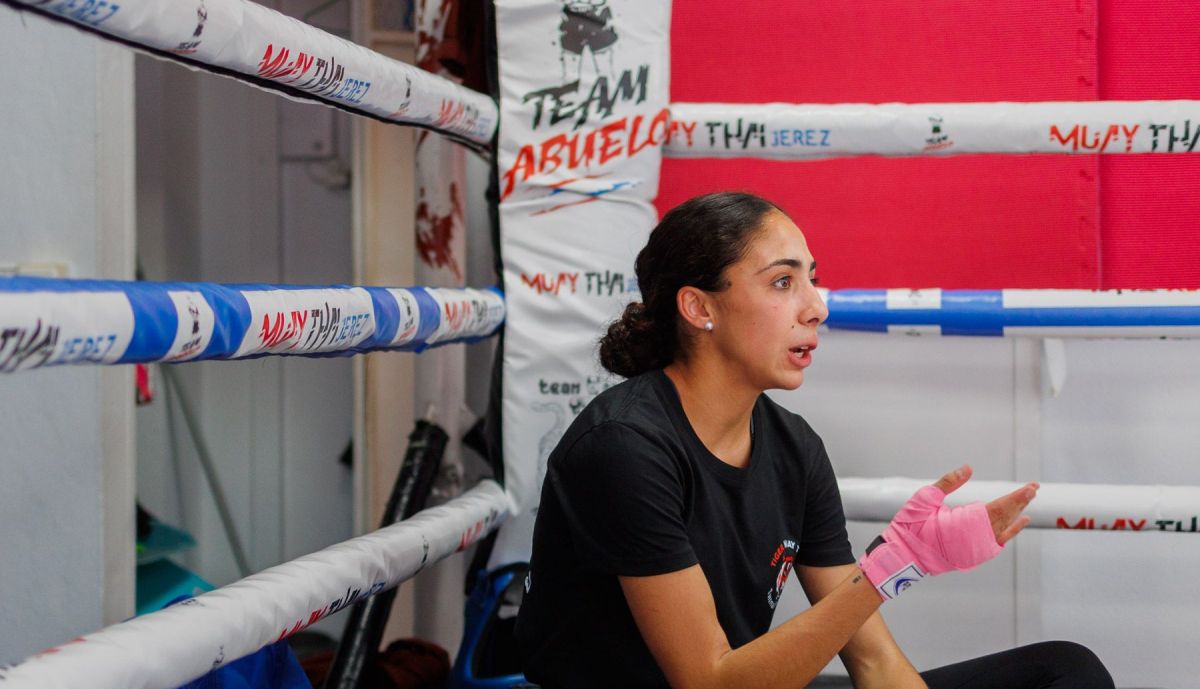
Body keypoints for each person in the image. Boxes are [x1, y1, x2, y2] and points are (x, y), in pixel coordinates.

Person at [514, 191, 1115, 689]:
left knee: (1065, 672)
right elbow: (709, 682)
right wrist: (891, 567)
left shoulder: (794, 447)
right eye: (782, 283)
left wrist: (897, 567)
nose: (816, 307)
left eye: (812, 281)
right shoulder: (625, 446)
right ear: (699, 307)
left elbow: (875, 665)